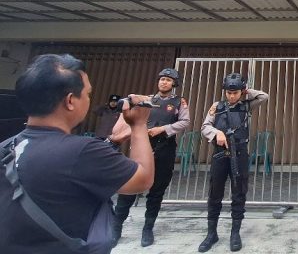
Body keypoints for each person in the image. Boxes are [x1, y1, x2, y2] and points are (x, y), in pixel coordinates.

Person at [0, 54, 154, 254]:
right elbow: (142, 179)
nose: (89, 99)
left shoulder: (6, 148)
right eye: (88, 94)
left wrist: (112, 141)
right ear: (70, 101)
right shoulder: (83, 151)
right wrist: (139, 124)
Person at [111, 67, 190, 247]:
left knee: (156, 191)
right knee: (130, 188)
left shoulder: (179, 102)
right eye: (162, 79)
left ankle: (148, 228)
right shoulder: (145, 100)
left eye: (168, 80)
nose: (164, 82)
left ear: (173, 84)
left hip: (165, 148)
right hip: (141, 148)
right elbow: (129, 117)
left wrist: (163, 129)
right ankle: (116, 228)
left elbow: (185, 122)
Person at [198, 73, 269, 252]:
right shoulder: (217, 106)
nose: (231, 96)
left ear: (240, 92)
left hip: (240, 153)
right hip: (220, 154)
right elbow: (205, 127)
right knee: (215, 193)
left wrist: (246, 91)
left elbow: (264, 96)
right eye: (229, 93)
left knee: (239, 192)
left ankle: (235, 233)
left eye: (235, 92)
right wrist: (217, 133)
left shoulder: (247, 105)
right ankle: (211, 233)